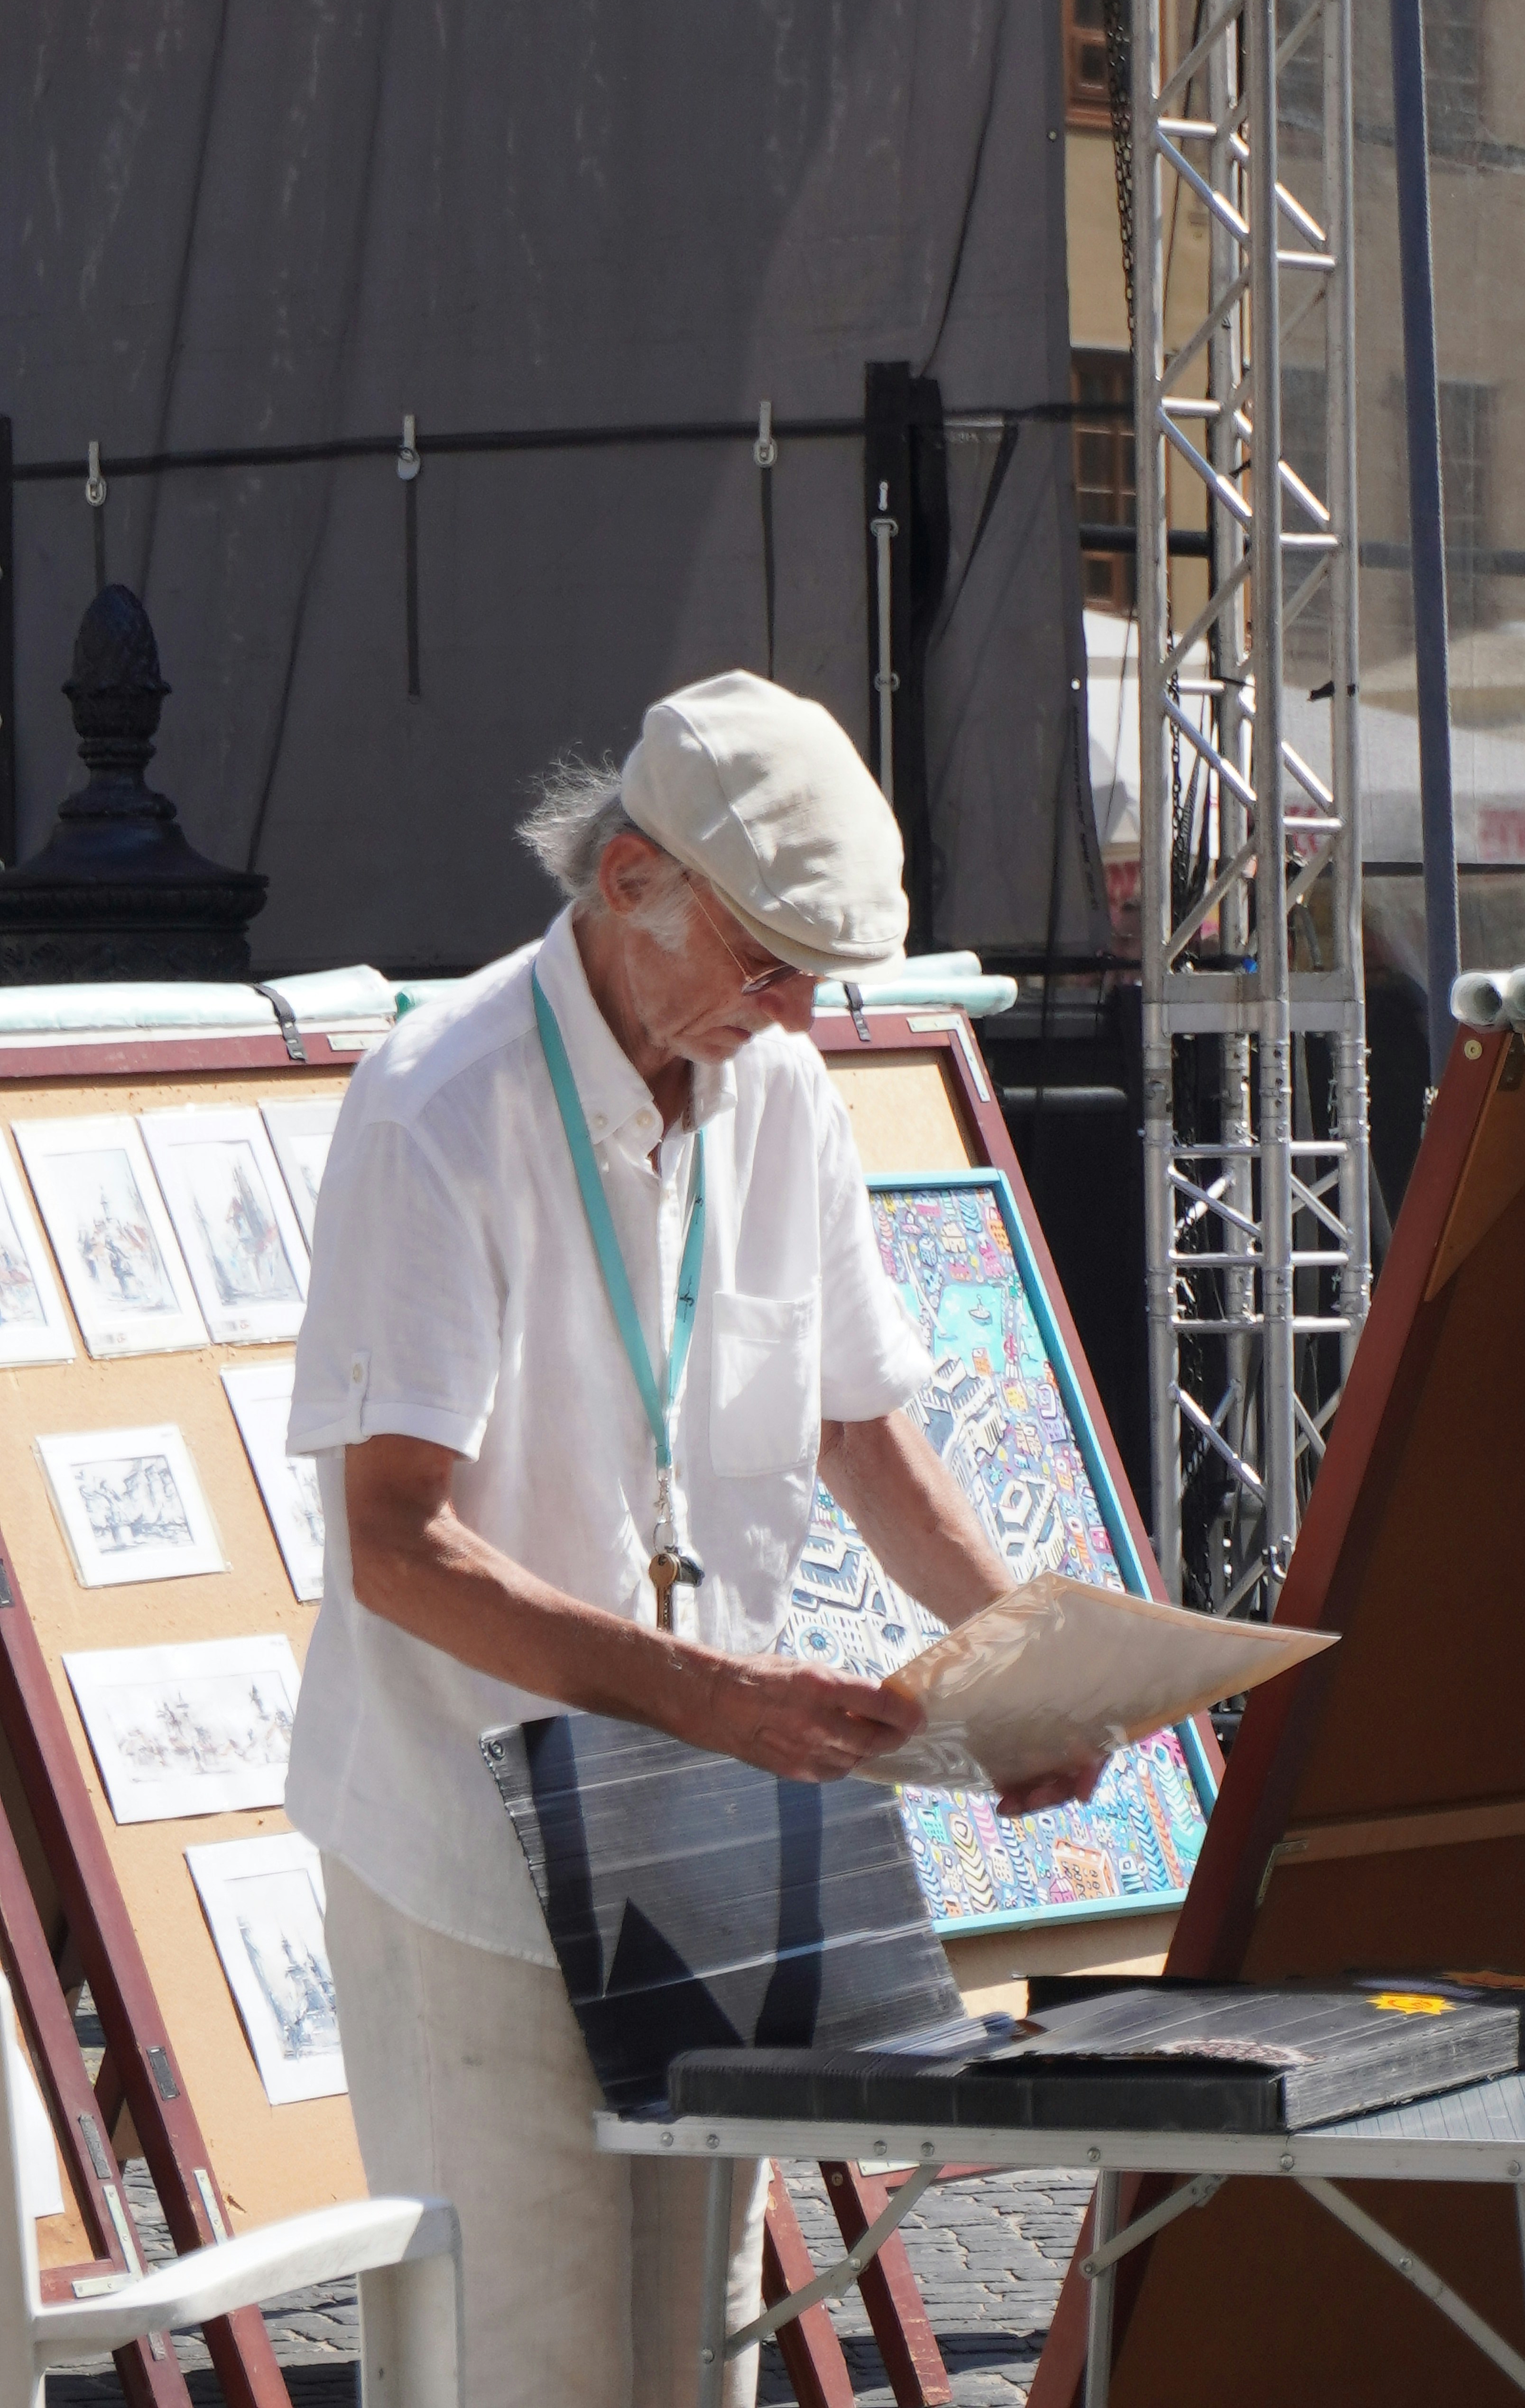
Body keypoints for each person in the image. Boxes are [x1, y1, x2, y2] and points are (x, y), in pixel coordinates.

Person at [284, 671, 1102, 2408]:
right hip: (470, 1844)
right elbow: (399, 1546)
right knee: (530, 2362)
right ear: (630, 877)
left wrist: (1038, 1669)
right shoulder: (441, 1105)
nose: (795, 1008)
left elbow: (868, 1432)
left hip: (691, 1829)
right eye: (769, 959)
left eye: (818, 974)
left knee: (694, 2363)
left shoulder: (781, 1087)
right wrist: (714, 1696)